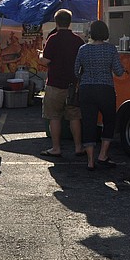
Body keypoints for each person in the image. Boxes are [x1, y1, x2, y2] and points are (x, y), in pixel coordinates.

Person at [74, 20, 124, 171]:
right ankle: (102, 155)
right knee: (109, 121)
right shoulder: (111, 49)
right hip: (105, 89)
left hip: (86, 90)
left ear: (91, 33)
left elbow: (76, 71)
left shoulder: (83, 49)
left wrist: (86, 76)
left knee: (88, 123)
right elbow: (119, 72)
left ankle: (90, 161)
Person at [39, 9, 85, 157]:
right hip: (73, 85)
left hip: (55, 84)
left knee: (54, 117)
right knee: (74, 116)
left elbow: (46, 61)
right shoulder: (78, 40)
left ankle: (56, 148)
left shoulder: (53, 39)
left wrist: (40, 55)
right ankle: (78, 147)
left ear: (56, 22)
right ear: (70, 22)